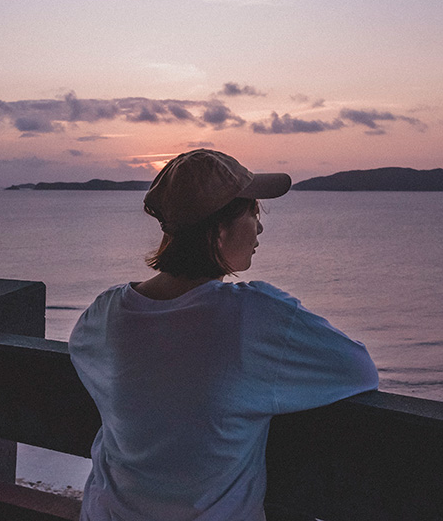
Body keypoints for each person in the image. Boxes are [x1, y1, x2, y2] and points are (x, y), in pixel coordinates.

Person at [69, 149, 378, 521]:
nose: (260, 227)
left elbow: (87, 355)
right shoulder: (255, 317)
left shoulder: (105, 314)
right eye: (253, 213)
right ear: (219, 232)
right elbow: (358, 370)